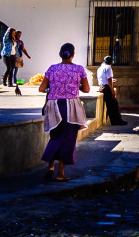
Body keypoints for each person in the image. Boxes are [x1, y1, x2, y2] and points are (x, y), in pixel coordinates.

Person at [38, 42, 90, 182]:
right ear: (72, 55)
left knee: (55, 136)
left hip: (53, 106)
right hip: (70, 107)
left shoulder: (52, 68)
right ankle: (60, 174)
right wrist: (74, 85)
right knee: (67, 139)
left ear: (60, 54)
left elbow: (41, 89)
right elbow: (86, 89)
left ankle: (50, 167)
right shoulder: (79, 69)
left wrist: (55, 85)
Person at [96, 55, 127, 125]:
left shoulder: (100, 68)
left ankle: (114, 121)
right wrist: (112, 89)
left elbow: (102, 78)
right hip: (107, 88)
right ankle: (118, 121)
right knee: (114, 104)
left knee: (110, 105)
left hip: (102, 86)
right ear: (111, 63)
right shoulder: (108, 68)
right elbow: (109, 79)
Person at [11, 30, 31, 95]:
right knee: (14, 69)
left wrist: (27, 55)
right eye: (18, 35)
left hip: (19, 56)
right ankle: (13, 81)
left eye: (20, 35)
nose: (19, 36)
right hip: (13, 56)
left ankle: (13, 80)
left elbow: (23, 49)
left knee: (16, 69)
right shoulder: (13, 41)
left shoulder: (21, 42)